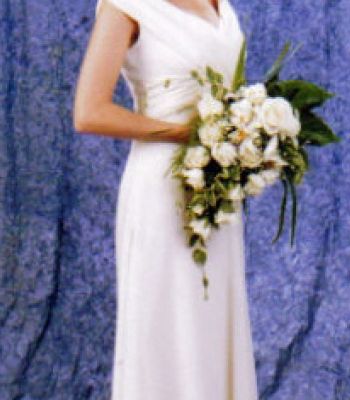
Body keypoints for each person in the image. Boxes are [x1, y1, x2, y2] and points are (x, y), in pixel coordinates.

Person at [73, 0, 258, 398]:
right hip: (164, 191)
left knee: (211, 321)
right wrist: (184, 134)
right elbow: (89, 112)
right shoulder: (126, 7)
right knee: (169, 324)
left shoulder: (221, 7)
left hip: (216, 187)